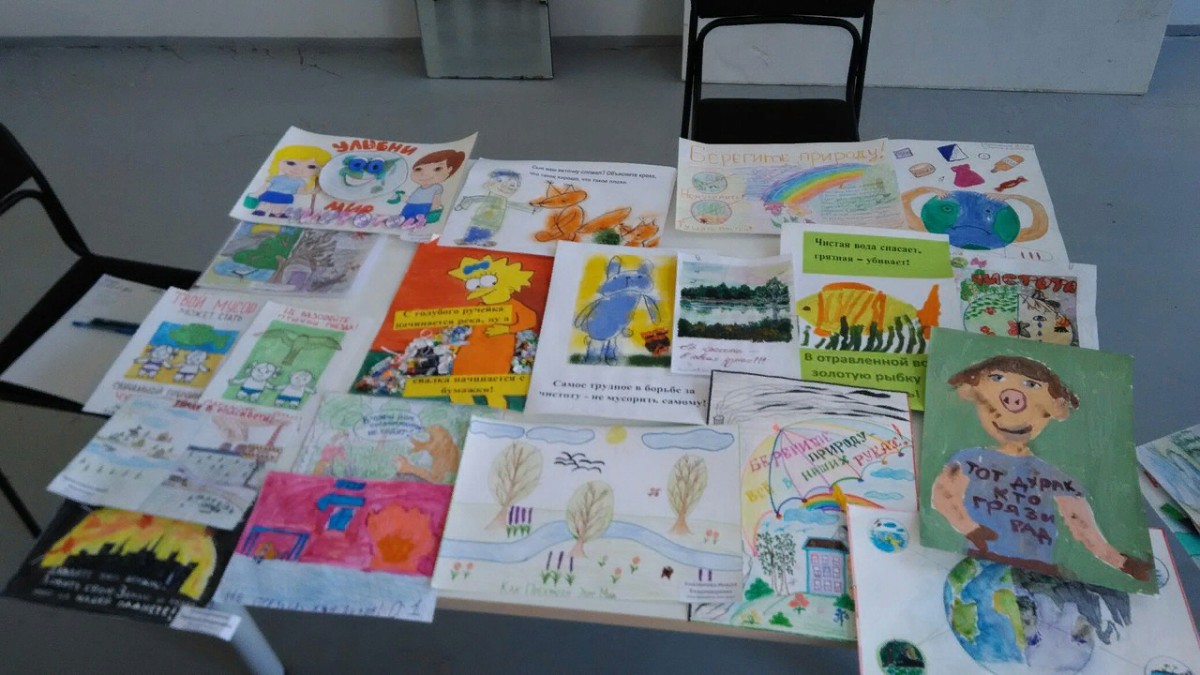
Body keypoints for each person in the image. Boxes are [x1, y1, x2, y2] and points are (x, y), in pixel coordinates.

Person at [931, 355, 1152, 581]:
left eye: (1031, 385)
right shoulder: (969, 461)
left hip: (1037, 571)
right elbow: (944, 496)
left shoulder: (1054, 477)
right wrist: (971, 529)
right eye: (997, 379)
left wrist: (1122, 563)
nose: (1013, 401)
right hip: (981, 562)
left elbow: (1081, 525)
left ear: (1053, 410)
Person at [453, 169, 537, 247]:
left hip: (493, 224)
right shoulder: (489, 198)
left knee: (488, 232)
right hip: (479, 220)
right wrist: (462, 205)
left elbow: (514, 205)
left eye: (511, 185)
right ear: (489, 183)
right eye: (499, 181)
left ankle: (482, 241)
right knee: (474, 230)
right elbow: (474, 199)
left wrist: (531, 209)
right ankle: (467, 240)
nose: (504, 186)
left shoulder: (504, 201)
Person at [249, 145, 331, 217]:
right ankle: (260, 212)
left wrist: (311, 191)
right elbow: (265, 186)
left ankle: (275, 214)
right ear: (277, 162)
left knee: (280, 207)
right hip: (271, 193)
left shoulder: (301, 182)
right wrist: (256, 193)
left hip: (286, 196)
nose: (298, 169)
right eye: (291, 163)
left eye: (311, 167)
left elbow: (300, 191)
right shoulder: (276, 178)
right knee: (265, 204)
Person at [398, 149, 466, 230]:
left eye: (437, 169)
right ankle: (407, 223)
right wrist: (403, 197)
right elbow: (415, 197)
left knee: (418, 217)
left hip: (424, 206)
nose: (425, 174)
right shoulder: (419, 188)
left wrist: (433, 209)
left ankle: (418, 223)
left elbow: (437, 200)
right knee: (404, 217)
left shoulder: (437, 187)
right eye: (418, 169)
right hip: (410, 205)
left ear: (449, 169)